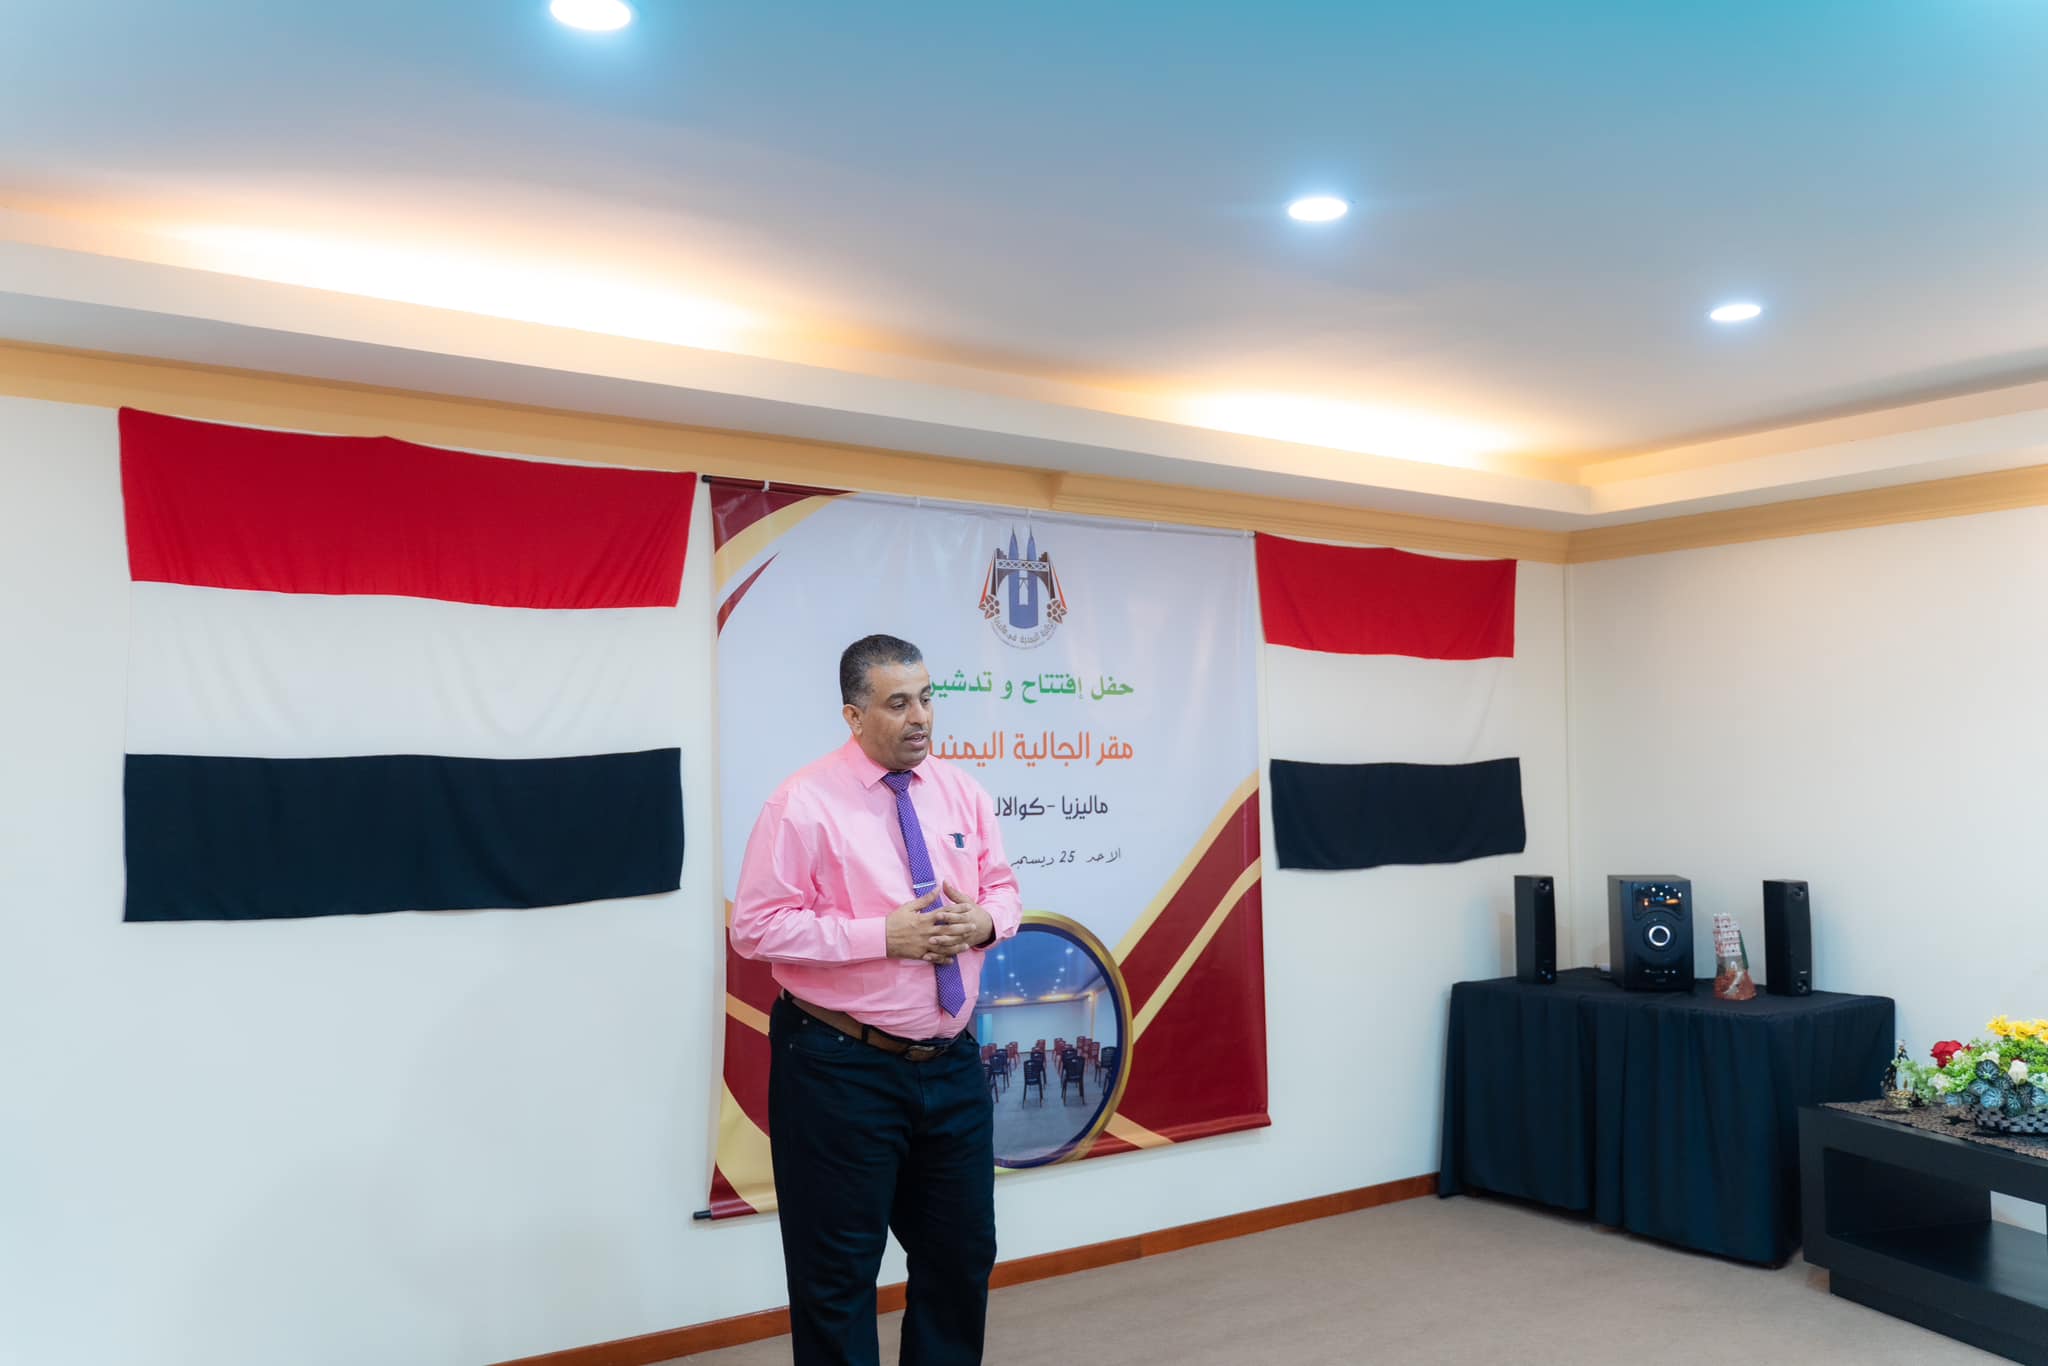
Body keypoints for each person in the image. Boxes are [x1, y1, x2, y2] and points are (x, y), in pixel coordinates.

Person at [731, 633, 1022, 1366]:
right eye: (898, 703)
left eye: (926, 698)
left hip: (951, 1064)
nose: (920, 717)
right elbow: (755, 927)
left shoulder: (962, 792)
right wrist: (881, 937)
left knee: (960, 1258)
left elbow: (1002, 888)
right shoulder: (801, 804)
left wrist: (985, 923)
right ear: (854, 717)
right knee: (837, 1278)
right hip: (840, 1067)